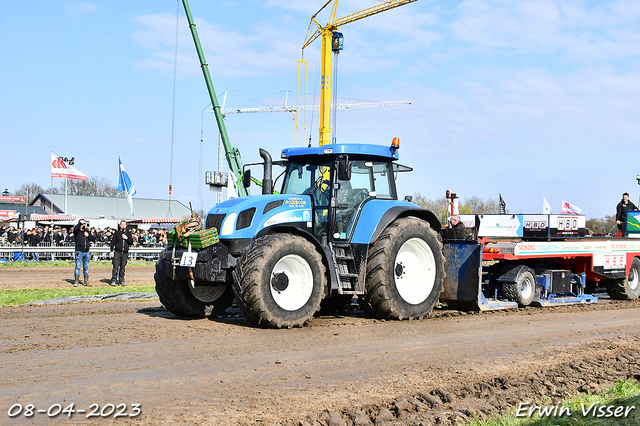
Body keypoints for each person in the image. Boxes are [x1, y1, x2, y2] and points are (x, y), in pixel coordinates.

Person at [73, 219, 96, 287]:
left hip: (86, 252)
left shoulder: (87, 232)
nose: (83, 225)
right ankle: (76, 281)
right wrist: (80, 223)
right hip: (79, 251)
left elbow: (94, 239)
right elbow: (76, 228)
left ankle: (86, 281)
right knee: (78, 266)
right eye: (82, 223)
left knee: (86, 267)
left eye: (84, 223)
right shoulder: (77, 231)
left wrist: (88, 235)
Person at [110, 220, 132, 286]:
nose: (123, 226)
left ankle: (121, 280)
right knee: (115, 267)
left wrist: (126, 238)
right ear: (120, 225)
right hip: (117, 252)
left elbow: (131, 242)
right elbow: (112, 243)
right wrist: (111, 251)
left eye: (124, 225)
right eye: (122, 225)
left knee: (122, 267)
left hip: (125, 253)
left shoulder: (128, 233)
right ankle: (114, 280)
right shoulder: (117, 233)